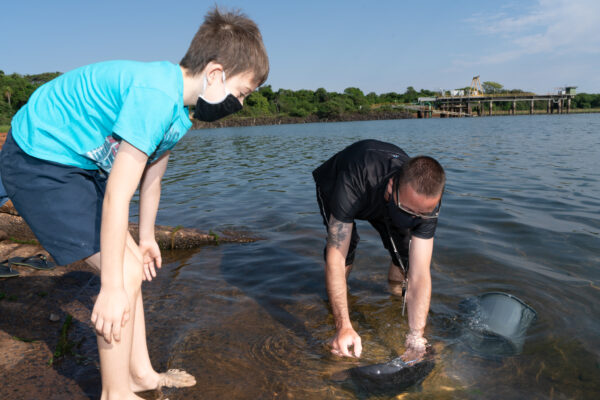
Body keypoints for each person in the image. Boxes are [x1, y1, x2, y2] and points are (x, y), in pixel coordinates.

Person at [0, 8, 268, 399]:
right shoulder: (155, 97)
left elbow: (151, 181)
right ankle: (116, 393)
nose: (241, 104)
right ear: (215, 74)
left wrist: (145, 239)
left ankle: (141, 375)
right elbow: (118, 194)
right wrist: (109, 286)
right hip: (38, 158)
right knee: (120, 273)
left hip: (78, 163)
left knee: (133, 266)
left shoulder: (180, 113)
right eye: (242, 92)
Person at [313, 139, 445, 361]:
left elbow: (420, 272)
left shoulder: (426, 203)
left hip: (393, 199)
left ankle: (394, 299)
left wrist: (416, 336)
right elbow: (336, 257)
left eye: (420, 215)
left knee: (406, 256)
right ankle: (338, 316)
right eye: (409, 211)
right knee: (348, 246)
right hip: (341, 184)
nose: (415, 220)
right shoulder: (355, 177)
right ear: (393, 186)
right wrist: (343, 326)